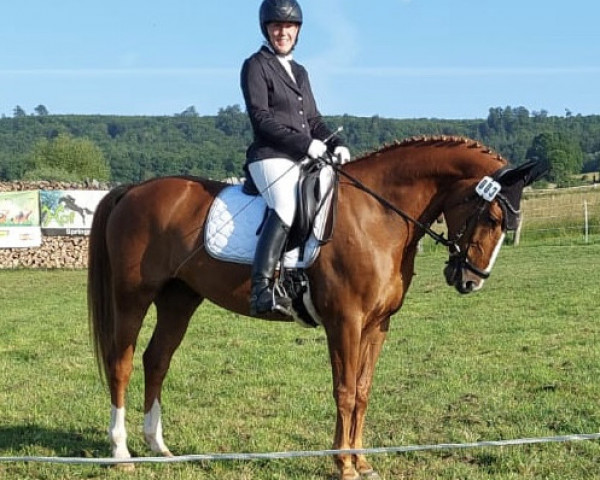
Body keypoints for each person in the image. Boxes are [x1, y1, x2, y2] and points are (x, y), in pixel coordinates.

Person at [241, 0, 350, 316]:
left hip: (301, 156)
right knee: (287, 204)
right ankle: (261, 289)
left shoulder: (300, 71)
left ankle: (296, 273)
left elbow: (314, 119)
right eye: (276, 26)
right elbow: (260, 118)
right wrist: (305, 144)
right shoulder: (256, 65)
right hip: (269, 155)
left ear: (297, 30)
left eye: (288, 26)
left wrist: (336, 143)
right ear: (267, 29)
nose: (282, 31)